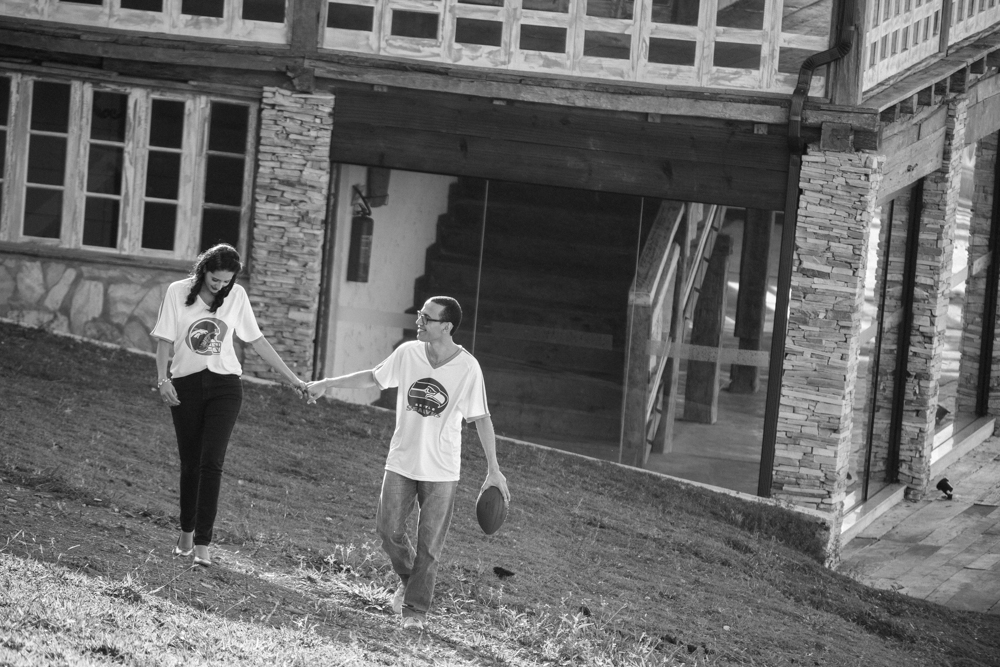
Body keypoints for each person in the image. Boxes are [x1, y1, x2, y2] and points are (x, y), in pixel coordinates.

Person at [306, 296, 510, 631]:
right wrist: (327, 384)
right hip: (401, 461)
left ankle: (415, 611)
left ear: (446, 326)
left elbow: (481, 418)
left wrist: (494, 469)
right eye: (419, 315)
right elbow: (373, 378)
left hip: (441, 471)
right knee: (388, 531)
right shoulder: (408, 353)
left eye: (426, 318)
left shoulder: (467, 367)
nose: (419, 322)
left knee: (430, 547)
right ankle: (410, 580)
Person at [151, 243, 308, 567]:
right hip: (186, 385)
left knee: (212, 462)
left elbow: (257, 340)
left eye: (226, 281)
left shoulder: (236, 295)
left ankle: (203, 544)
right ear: (203, 270)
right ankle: (186, 533)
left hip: (225, 386)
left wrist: (293, 379)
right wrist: (163, 380)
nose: (220, 286)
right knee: (190, 464)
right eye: (215, 279)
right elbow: (164, 340)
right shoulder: (177, 291)